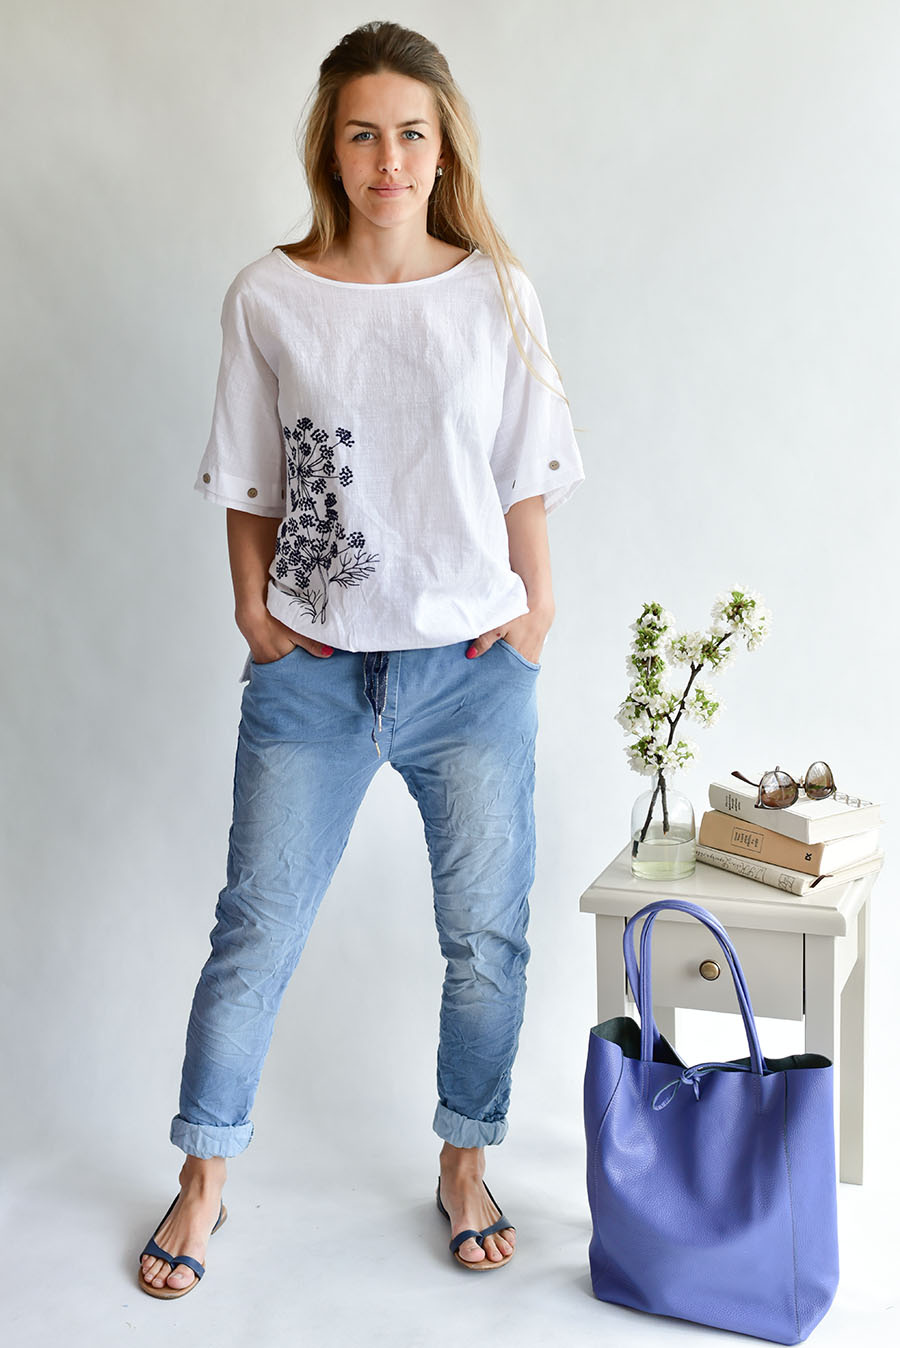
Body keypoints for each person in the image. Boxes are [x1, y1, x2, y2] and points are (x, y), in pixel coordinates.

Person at [138, 18, 584, 1298]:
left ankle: (464, 1161)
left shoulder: (496, 291)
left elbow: (525, 472)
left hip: (470, 670)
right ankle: (204, 1177)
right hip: (315, 673)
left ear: (444, 149)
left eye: (411, 134)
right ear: (328, 151)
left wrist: (536, 614)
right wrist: (253, 612)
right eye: (362, 135)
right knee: (254, 930)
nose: (389, 159)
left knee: (486, 938)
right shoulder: (269, 295)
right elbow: (248, 477)